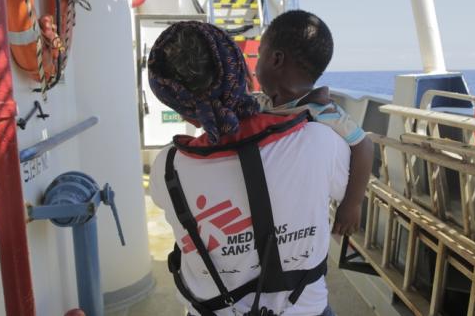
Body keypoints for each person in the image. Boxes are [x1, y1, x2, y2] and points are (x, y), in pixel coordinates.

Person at [148, 21, 349, 316]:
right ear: (241, 72)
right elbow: (344, 189)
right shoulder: (321, 140)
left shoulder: (167, 170)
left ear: (183, 111)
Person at [254, 10, 374, 237]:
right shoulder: (264, 104)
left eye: (259, 55)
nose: (255, 66)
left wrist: (352, 204)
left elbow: (364, 145)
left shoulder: (322, 112)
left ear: (276, 59)